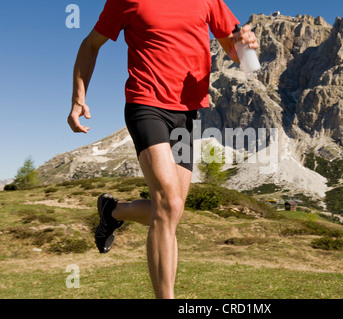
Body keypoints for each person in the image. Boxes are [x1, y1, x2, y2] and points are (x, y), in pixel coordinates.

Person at [67, 0, 259, 299]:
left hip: (186, 115)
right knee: (167, 204)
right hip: (146, 105)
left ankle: (112, 211)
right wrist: (78, 97)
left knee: (171, 212)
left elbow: (233, 50)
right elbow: (91, 44)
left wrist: (243, 44)